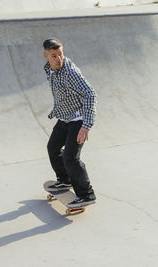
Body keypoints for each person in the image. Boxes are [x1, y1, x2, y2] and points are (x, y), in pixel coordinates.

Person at [43, 38, 97, 208]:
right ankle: (65, 180)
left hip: (78, 120)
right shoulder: (48, 69)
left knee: (70, 157)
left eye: (61, 54)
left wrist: (86, 125)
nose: (59, 59)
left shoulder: (70, 73)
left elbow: (90, 94)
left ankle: (87, 194)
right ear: (46, 56)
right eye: (54, 56)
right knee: (53, 147)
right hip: (64, 117)